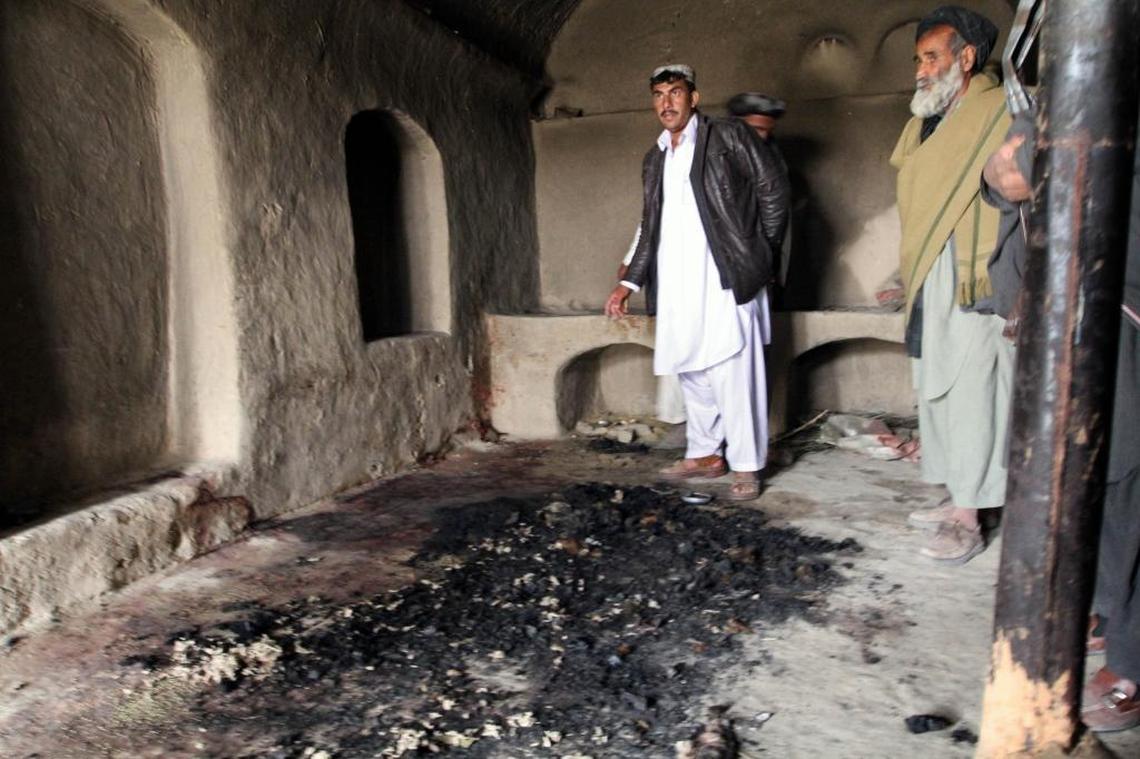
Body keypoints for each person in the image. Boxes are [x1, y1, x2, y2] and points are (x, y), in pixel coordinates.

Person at [981, 94, 1140, 736]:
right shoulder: (1073, 81)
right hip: (1065, 316)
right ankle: (1111, 607)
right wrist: (1001, 179)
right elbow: (1007, 174)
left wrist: (1047, 179)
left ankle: (1133, 661)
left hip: (1120, 312)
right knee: (1090, 479)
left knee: (1125, 479)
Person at [604, 64, 789, 501]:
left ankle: (747, 465)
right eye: (659, 95)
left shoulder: (728, 136)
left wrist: (761, 256)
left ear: (694, 97)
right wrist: (629, 282)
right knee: (692, 368)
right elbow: (650, 225)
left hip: (726, 274)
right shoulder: (655, 158)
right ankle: (706, 454)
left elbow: (772, 190)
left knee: (732, 371)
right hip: (677, 280)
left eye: (675, 92)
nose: (667, 102)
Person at [890, 6, 1013, 563]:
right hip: (931, 270)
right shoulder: (926, 122)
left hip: (976, 270)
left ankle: (971, 516)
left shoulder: (997, 110)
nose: (921, 69)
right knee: (934, 379)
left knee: (973, 391)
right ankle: (954, 492)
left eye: (932, 57)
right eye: (918, 59)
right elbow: (918, 202)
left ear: (966, 58)